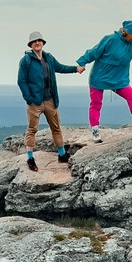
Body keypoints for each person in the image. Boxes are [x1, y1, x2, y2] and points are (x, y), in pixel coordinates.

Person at [17, 31, 84, 172]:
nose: (37, 43)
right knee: (32, 130)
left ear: (43, 43)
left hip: (50, 100)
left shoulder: (48, 58)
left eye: (39, 41)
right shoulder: (26, 60)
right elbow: (21, 81)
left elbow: (60, 67)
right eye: (34, 41)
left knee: (56, 128)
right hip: (35, 102)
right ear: (30, 44)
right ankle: (30, 158)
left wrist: (75, 69)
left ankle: (61, 155)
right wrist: (29, 98)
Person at [77, 20, 132, 142]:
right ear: (125, 32)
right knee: (96, 103)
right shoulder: (110, 39)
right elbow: (94, 52)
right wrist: (82, 62)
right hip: (99, 78)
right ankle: (95, 130)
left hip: (118, 79)